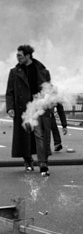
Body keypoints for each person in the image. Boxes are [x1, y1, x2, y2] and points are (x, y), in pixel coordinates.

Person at [5, 45, 54, 175]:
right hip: (23, 107)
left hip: (38, 106)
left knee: (39, 135)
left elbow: (49, 88)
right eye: (17, 55)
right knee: (25, 135)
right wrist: (10, 108)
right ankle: (28, 160)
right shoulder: (14, 72)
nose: (17, 58)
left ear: (28, 56)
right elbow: (9, 92)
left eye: (20, 56)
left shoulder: (42, 70)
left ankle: (43, 164)